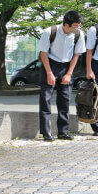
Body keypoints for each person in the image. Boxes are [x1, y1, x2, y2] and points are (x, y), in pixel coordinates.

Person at [37, 10, 86, 141]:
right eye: (75, 26)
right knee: (45, 99)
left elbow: (77, 55)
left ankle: (63, 132)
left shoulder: (79, 34)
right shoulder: (49, 32)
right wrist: (49, 73)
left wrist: (69, 73)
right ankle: (46, 133)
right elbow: (43, 53)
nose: (78, 28)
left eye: (79, 25)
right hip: (50, 64)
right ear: (66, 24)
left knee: (64, 100)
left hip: (67, 66)